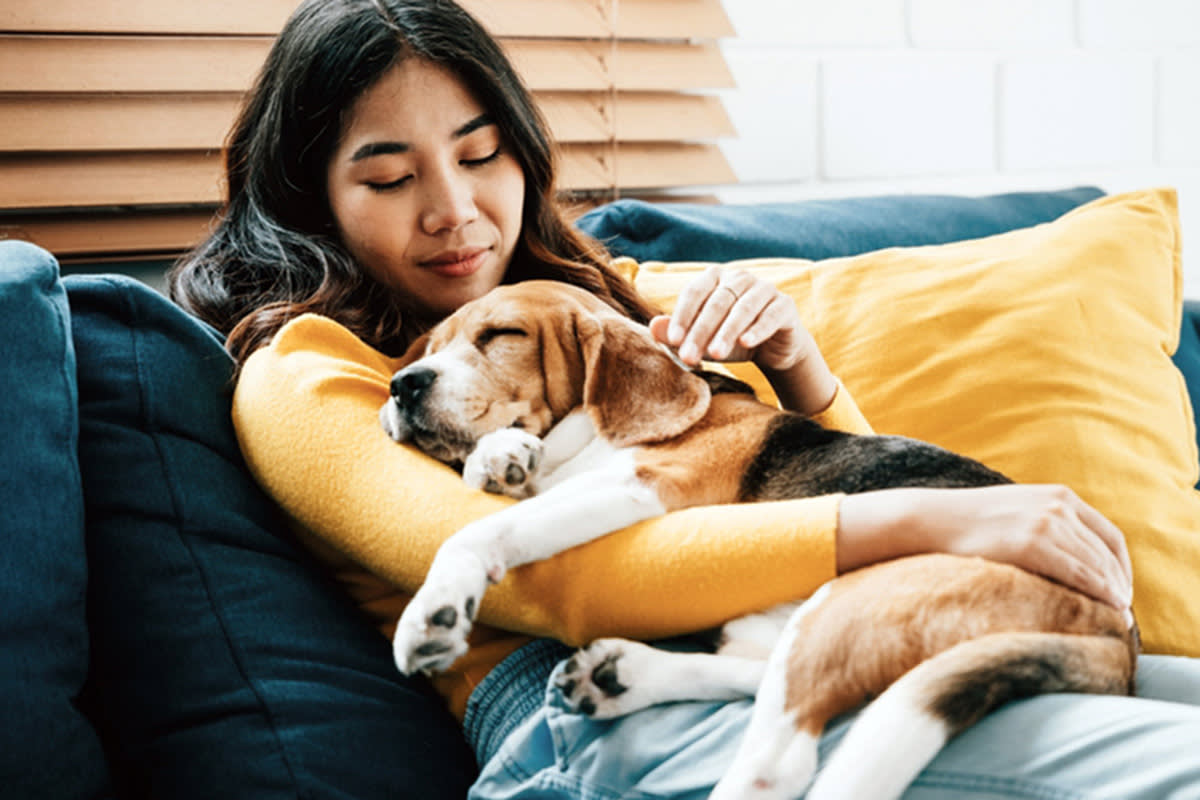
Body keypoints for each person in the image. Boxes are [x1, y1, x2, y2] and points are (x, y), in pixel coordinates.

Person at [168, 0, 1200, 797]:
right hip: (594, 716)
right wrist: (949, 513)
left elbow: (844, 497)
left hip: (814, 644)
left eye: (481, 155)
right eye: (389, 177)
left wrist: (797, 367)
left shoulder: (617, 312)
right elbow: (559, 586)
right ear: (312, 200)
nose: (454, 208)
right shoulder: (309, 371)